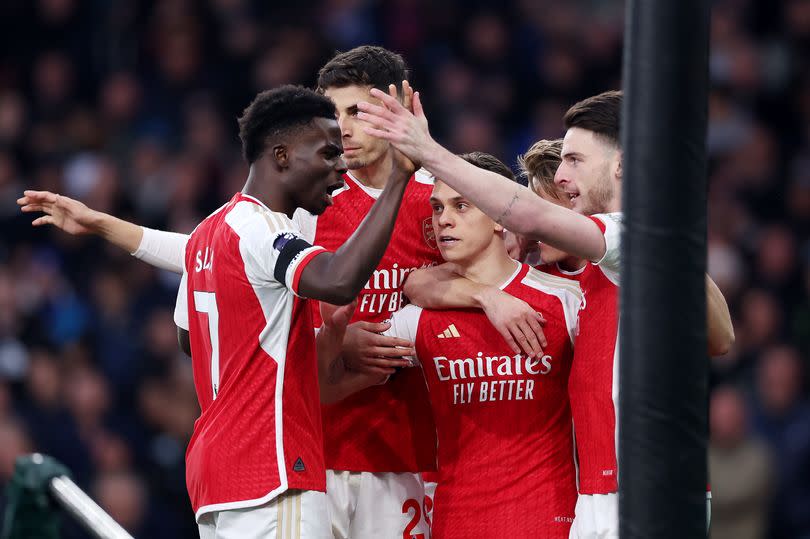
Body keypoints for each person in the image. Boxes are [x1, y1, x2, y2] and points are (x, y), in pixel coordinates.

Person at [18, 45, 546, 538]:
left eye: (358, 112)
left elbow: (462, 272)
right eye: (334, 117)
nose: (345, 130)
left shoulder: (444, 201)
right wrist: (338, 346)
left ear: (404, 106)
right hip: (310, 451)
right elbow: (227, 261)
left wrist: (478, 294)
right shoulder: (300, 211)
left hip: (406, 455)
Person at [358, 89, 734, 537]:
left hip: (649, 491)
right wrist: (478, 294)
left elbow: (531, 216)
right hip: (596, 494)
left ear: (621, 165)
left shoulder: (635, 234)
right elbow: (719, 338)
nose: (562, 175)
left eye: (575, 160)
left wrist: (427, 151)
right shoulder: (588, 275)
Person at [177, 84, 418, 537]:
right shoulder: (262, 227)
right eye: (328, 154)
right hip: (271, 469)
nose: (340, 170)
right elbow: (338, 280)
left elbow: (189, 339)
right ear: (282, 155)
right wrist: (401, 178)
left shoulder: (207, 233)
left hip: (217, 476)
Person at [321, 153, 583, 538]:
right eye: (438, 207)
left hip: (549, 516)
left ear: (500, 216)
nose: (443, 219)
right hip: (456, 518)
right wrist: (335, 339)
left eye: (462, 206)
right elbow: (324, 387)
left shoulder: (566, 301)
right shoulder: (418, 318)